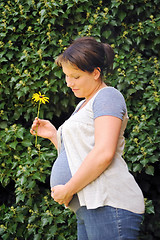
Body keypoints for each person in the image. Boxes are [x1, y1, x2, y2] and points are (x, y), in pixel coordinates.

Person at [30, 36, 145, 240]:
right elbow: (79, 154)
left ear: (95, 73)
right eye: (66, 76)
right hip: (89, 207)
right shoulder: (82, 105)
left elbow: (103, 153)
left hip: (110, 205)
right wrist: (55, 136)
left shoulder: (107, 96)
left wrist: (68, 189)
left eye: (75, 76)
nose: (68, 83)